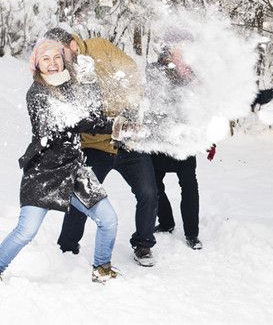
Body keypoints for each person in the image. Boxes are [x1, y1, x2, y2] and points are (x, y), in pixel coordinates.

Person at [0, 39, 118, 283]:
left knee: (108, 219)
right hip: (44, 170)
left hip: (74, 168)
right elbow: (69, 122)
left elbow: (93, 116)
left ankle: (102, 268)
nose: (52, 63)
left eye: (56, 58)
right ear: (37, 64)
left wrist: (91, 85)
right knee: (26, 231)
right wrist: (108, 125)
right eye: (46, 59)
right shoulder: (36, 93)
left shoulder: (72, 85)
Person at [44, 28, 158, 267]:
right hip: (94, 145)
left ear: (73, 44)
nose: (57, 59)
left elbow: (129, 71)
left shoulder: (100, 47)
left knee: (148, 191)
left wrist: (128, 102)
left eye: (60, 52)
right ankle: (67, 248)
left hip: (128, 143)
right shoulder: (62, 73)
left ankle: (144, 244)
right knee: (82, 196)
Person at [147, 40, 205, 250]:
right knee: (154, 184)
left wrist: (208, 138)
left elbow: (203, 107)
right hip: (159, 137)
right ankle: (166, 222)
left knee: (189, 185)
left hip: (184, 139)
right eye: (175, 51)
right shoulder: (154, 70)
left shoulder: (194, 75)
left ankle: (192, 234)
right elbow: (151, 98)